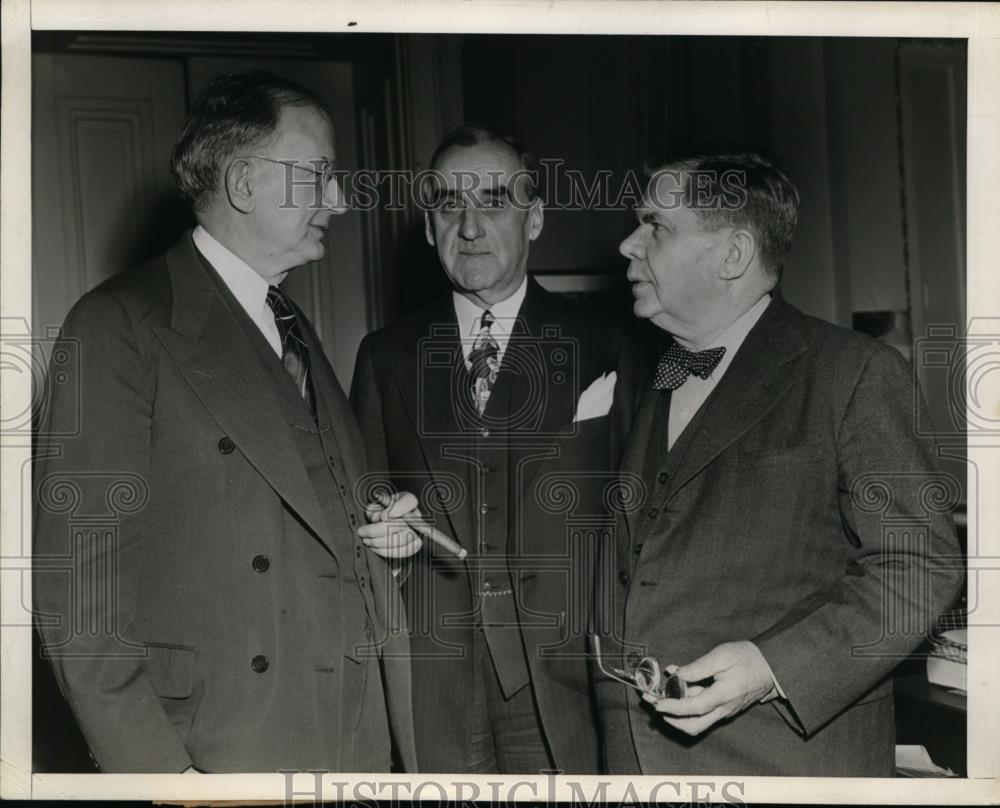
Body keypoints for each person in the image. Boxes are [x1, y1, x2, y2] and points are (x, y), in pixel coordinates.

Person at [33, 70, 419, 773]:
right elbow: (80, 605)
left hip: (352, 740)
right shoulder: (117, 324)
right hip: (223, 753)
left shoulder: (289, 320)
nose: (339, 199)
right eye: (319, 174)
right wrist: (166, 779)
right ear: (244, 183)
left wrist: (375, 527)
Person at [594, 147, 964, 775]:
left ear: (733, 255)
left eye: (655, 225)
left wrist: (771, 668)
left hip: (779, 762)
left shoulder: (854, 372)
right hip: (634, 762)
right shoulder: (651, 372)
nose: (628, 245)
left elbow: (919, 565)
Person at [351, 126, 637, 773]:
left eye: (495, 201)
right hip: (433, 680)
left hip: (566, 678)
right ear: (429, 228)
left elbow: (639, 519)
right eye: (449, 204)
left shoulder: (610, 342)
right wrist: (382, 534)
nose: (471, 226)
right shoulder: (384, 355)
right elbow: (363, 503)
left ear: (534, 219)